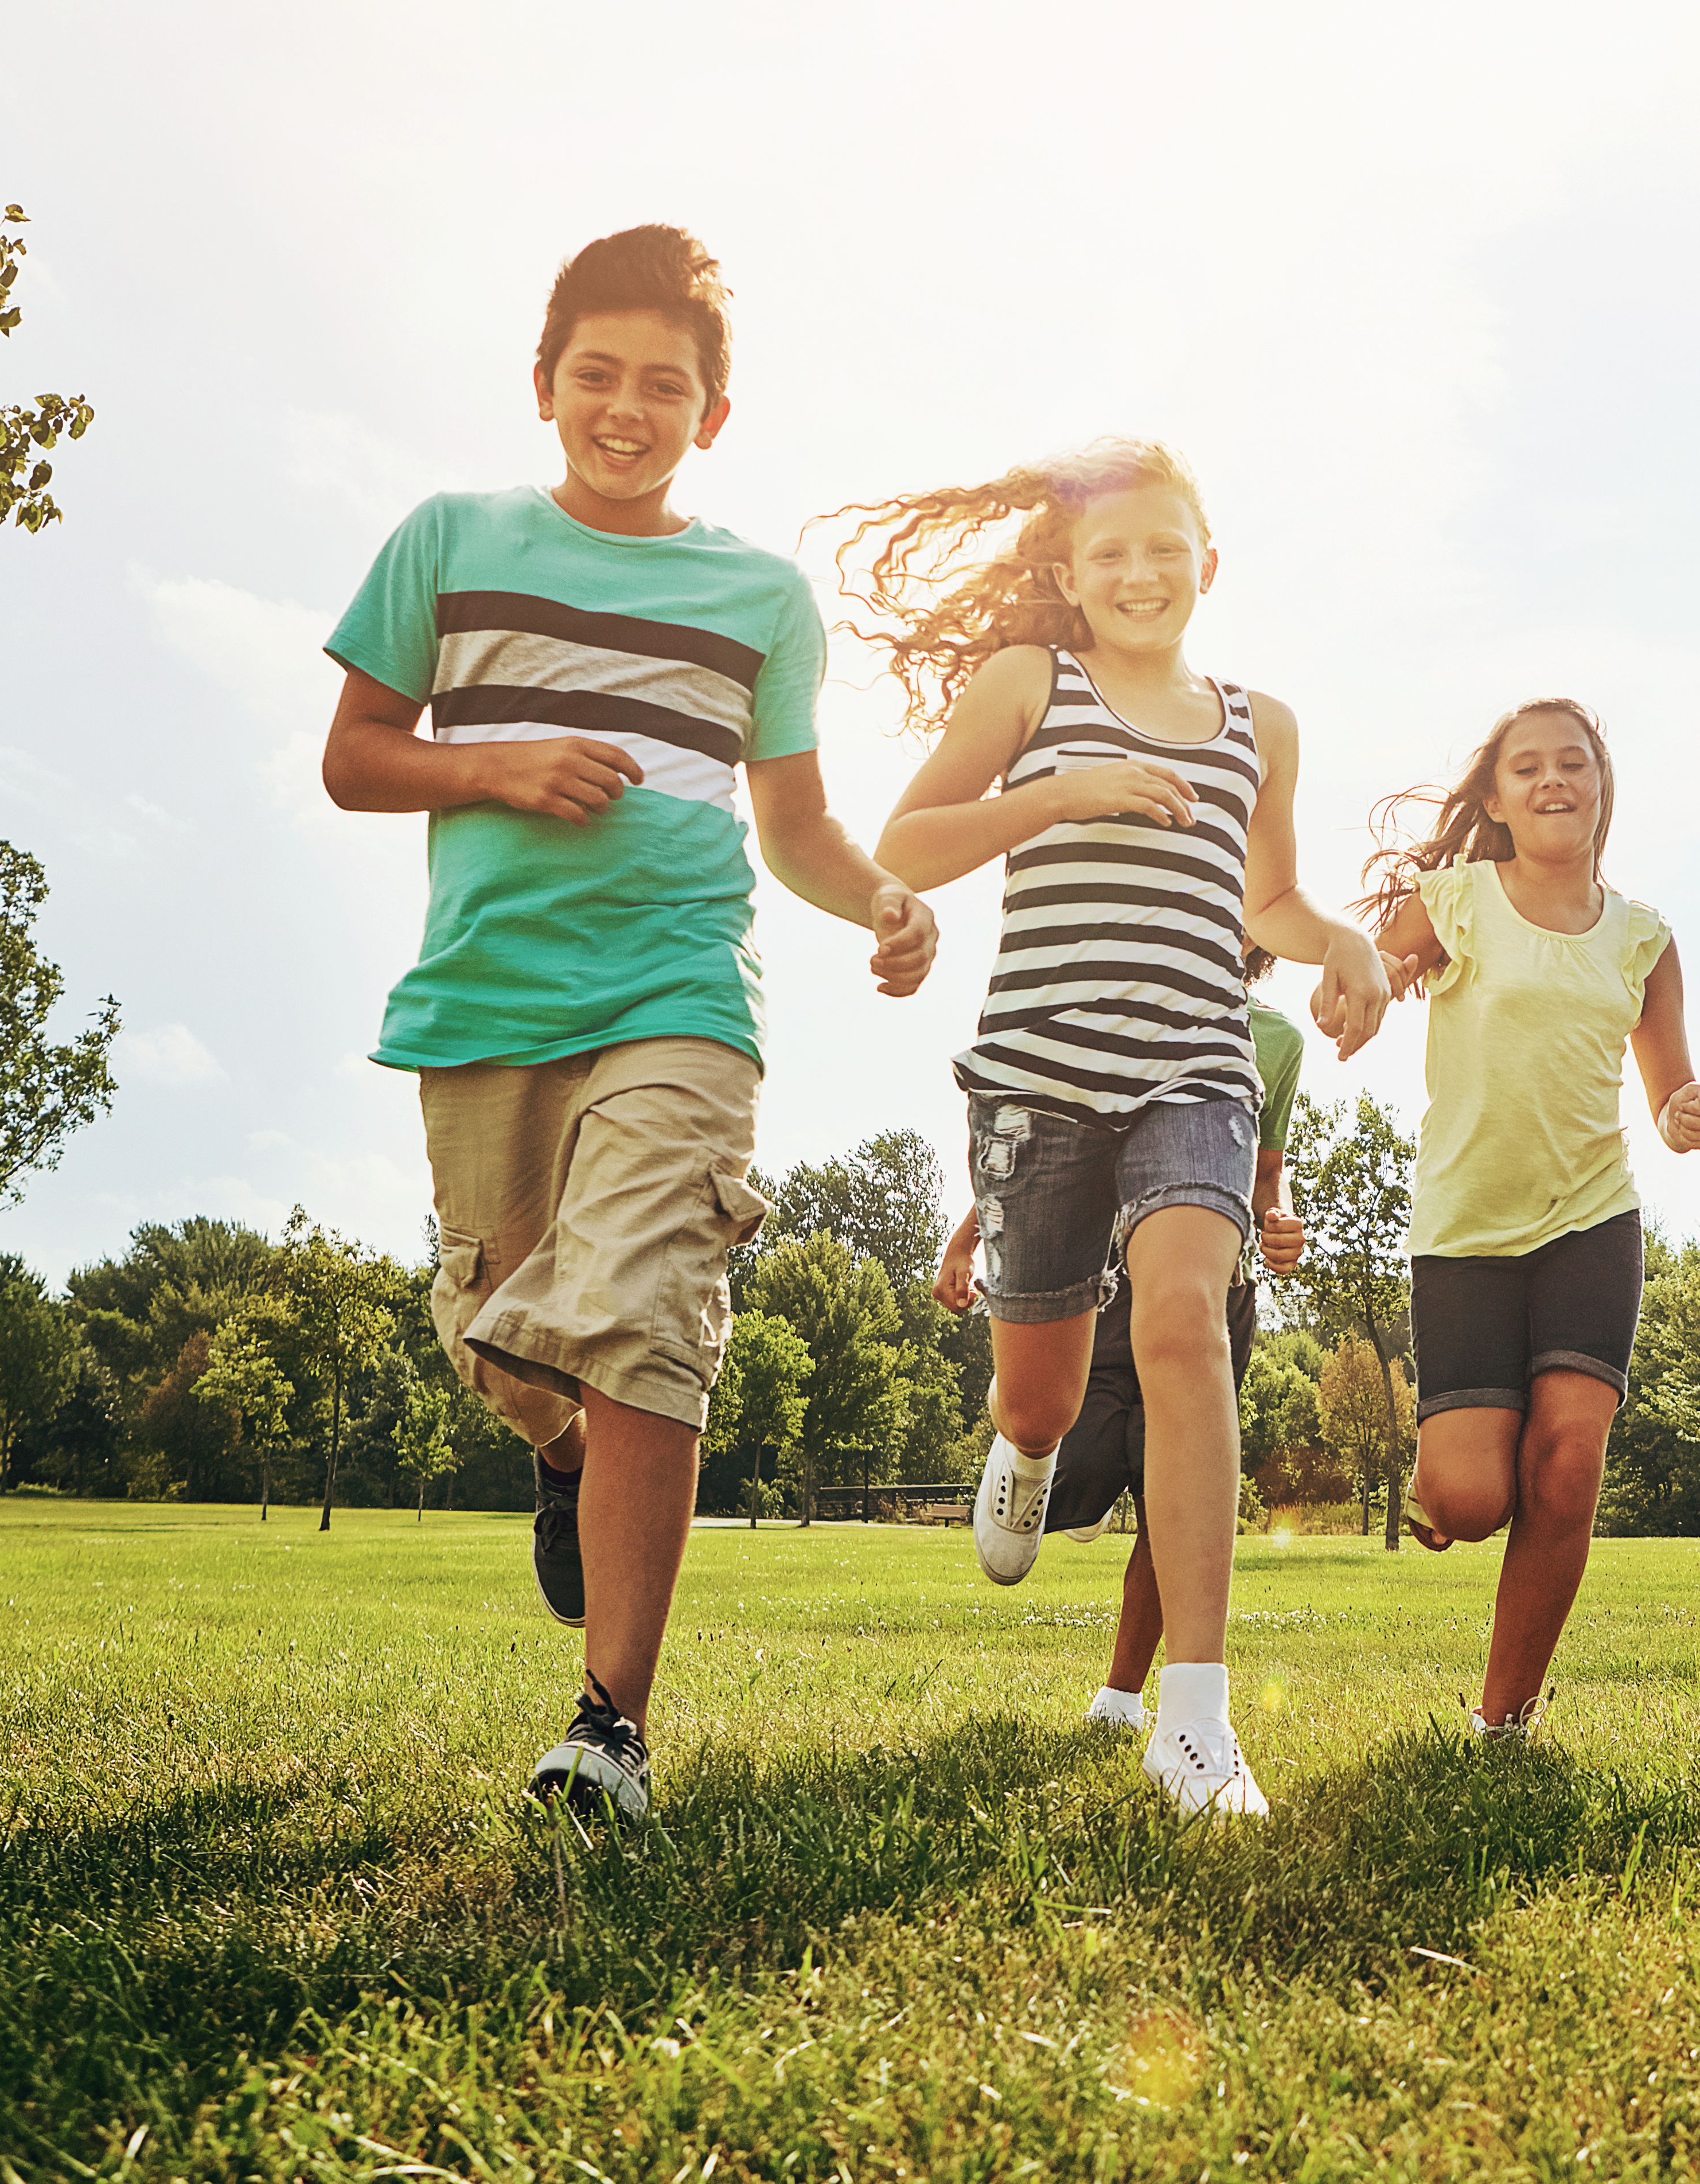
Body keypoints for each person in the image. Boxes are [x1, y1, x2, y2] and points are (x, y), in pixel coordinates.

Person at [319, 225, 939, 1820]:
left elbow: (796, 824)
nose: (627, 406)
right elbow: (357, 756)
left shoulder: (757, 597)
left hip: (681, 991)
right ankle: (555, 1451)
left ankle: (610, 1730)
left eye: (664, 384)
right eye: (597, 375)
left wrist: (875, 897)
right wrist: (494, 765)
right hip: (487, 1003)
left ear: (709, 415)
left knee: (649, 1311)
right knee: (505, 1334)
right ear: (544, 386)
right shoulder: (450, 540)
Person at [843, 439, 1389, 1818]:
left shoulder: (1263, 723)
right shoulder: (1033, 683)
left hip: (1195, 1070)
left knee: (1188, 1325)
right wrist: (1063, 794)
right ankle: (1024, 1455)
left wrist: (1347, 948)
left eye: (1165, 549)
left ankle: (1194, 1721)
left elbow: (1268, 906)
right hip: (1041, 1078)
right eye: (1111, 554)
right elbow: (901, 847)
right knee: (1042, 1390)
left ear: (1209, 563)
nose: (1140, 574)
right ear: (1070, 574)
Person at [1364, 698, 1700, 1741]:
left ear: (1603, 788)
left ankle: (1503, 1720)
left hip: (1591, 1219)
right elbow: (1376, 973)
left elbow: (1669, 1099)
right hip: (1467, 1227)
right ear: (1496, 797)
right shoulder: (1459, 899)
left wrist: (1686, 1114)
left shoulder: (1644, 940)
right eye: (1528, 767)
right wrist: (1362, 994)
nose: (1553, 779)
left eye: (1575, 763)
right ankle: (1462, 1468)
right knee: (1473, 1500)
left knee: (1568, 1467)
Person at [932, 949, 1310, 1730]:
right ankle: (1020, 1422)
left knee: (1175, 1490)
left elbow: (1266, 1167)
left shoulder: (1276, 1040)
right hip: (1107, 1280)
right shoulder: (1127, 994)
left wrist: (1277, 1216)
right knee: (1081, 1473)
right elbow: (1056, 1154)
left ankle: (1124, 1695)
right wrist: (968, 1238)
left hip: (1213, 1289)